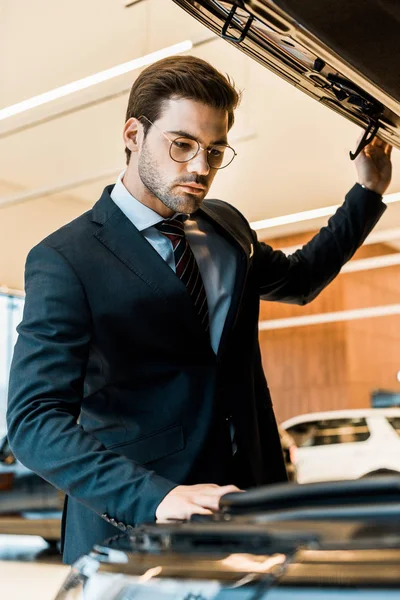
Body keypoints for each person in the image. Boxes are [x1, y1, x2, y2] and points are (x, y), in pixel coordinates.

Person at [6, 55, 392, 564]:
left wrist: (368, 191)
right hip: (136, 524)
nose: (200, 168)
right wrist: (157, 498)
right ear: (132, 135)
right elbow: (34, 420)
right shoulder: (66, 259)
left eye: (214, 150)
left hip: (249, 505)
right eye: (182, 145)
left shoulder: (226, 228)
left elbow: (299, 280)